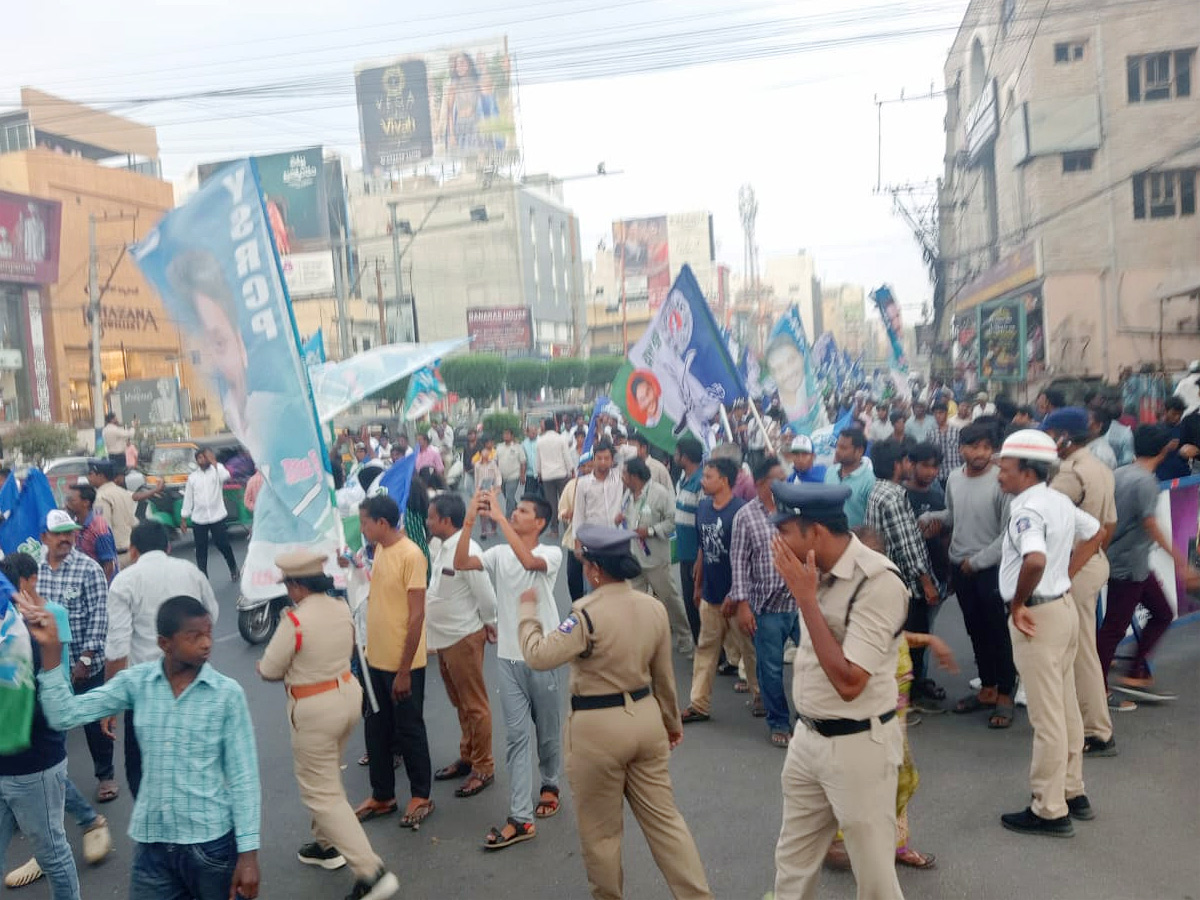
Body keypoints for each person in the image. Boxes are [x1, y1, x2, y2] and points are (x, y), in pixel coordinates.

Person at [519, 525, 713, 899]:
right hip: (645, 720)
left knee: (602, 835)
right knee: (666, 824)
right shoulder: (653, 608)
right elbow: (664, 678)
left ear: (593, 568)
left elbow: (539, 656)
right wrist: (671, 723)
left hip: (597, 729)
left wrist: (527, 612)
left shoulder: (585, 614)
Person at [24, 594, 261, 899]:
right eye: (195, 636)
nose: (206, 644)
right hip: (153, 849)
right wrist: (52, 653)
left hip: (211, 848)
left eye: (209, 634)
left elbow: (244, 778)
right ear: (165, 644)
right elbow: (64, 714)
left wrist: (249, 855)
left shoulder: (227, 695)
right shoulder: (138, 683)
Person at [768, 482, 908, 900]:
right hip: (808, 739)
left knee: (874, 877)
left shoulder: (878, 582)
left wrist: (806, 601)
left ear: (816, 533)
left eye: (786, 531)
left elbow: (850, 682)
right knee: (792, 865)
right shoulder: (816, 571)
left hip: (858, 746)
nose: (778, 542)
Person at [257, 550, 399, 900]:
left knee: (322, 793)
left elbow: (269, 669)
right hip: (347, 695)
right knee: (327, 773)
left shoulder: (296, 621)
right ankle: (326, 845)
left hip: (314, 707)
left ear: (295, 585)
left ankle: (371, 872)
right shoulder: (338, 606)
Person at [995, 429, 1102, 837]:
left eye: (1005, 468)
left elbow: (1035, 559)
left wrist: (1018, 602)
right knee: (1066, 705)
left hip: (1037, 615)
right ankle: (1073, 791)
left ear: (1025, 470)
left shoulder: (1027, 509)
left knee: (1047, 717)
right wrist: (1067, 575)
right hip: (1061, 609)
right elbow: (1096, 532)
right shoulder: (1057, 499)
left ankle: (1048, 807)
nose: (1000, 475)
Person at [454, 489, 565, 849]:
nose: (514, 514)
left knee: (547, 733)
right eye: (513, 510)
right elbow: (461, 563)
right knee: (517, 738)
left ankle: (550, 782)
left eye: (522, 511)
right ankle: (520, 818)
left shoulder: (550, 552)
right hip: (508, 658)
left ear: (540, 522)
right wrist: (470, 519)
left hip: (543, 654)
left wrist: (499, 518)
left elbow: (530, 564)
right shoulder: (499, 553)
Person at [1, 553, 109, 896]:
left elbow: (57, 699)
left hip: (34, 763)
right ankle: (86, 820)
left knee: (52, 851)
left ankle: (82, 824)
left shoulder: (29, 633)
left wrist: (56, 654)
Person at [105, 521, 217, 798]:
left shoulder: (124, 581)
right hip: (194, 682)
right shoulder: (191, 572)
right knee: (197, 762)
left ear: (132, 550)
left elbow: (118, 648)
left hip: (145, 691)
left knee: (141, 771)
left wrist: (109, 704)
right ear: (168, 547)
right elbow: (211, 617)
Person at [920, 422, 1016, 728]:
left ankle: (1004, 696)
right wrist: (931, 517)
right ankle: (987, 689)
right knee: (975, 629)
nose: (981, 453)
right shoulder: (954, 480)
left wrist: (977, 561)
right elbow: (952, 515)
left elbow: (1008, 534)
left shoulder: (1002, 482)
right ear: (961, 449)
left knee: (998, 633)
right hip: (960, 568)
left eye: (987, 447)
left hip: (989, 569)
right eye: (974, 447)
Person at [1042, 408, 1122, 749]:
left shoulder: (1070, 475)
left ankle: (1094, 730)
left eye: (1050, 434)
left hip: (1074, 566)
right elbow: (1109, 526)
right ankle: (1090, 726)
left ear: (1064, 436)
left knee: (1079, 651)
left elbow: (1047, 522)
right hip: (1091, 561)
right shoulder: (1100, 468)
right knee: (1080, 648)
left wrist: (1066, 573)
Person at [353, 495, 434, 830]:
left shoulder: (411, 555)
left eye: (365, 522)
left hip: (404, 666)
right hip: (375, 660)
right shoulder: (381, 550)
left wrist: (404, 671)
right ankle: (383, 794)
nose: (362, 528)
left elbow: (416, 617)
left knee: (409, 728)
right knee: (376, 729)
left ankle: (421, 795)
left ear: (382, 524)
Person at [1098, 425, 1188, 704]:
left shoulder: (1119, 473)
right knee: (1114, 627)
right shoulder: (1146, 482)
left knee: (1161, 612)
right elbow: (1150, 524)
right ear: (1164, 450)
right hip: (1128, 564)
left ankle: (1136, 670)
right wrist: (1180, 561)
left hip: (1127, 561)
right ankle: (1097, 688)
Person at [37, 510, 117, 804]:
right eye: (58, 533)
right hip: (50, 666)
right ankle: (51, 782)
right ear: (44, 537)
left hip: (86, 663)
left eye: (69, 532)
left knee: (94, 721)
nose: (65, 539)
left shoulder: (89, 569)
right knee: (49, 725)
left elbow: (100, 616)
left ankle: (105, 776)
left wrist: (85, 658)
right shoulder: (36, 571)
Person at [425, 493, 499, 799]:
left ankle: (484, 767)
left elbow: (486, 595)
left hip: (463, 638)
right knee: (460, 703)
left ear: (445, 520)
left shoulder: (467, 548)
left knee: (475, 705)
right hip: (443, 639)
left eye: (431, 517)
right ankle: (468, 755)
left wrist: (490, 622)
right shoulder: (437, 547)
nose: (427, 522)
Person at [679, 457, 760, 722]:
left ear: (724, 480)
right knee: (706, 648)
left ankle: (761, 698)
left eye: (708, 477)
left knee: (750, 651)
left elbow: (749, 557)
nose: (703, 482)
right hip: (711, 596)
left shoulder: (742, 511)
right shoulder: (703, 508)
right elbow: (703, 547)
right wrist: (698, 584)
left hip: (738, 597)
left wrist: (737, 594)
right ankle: (698, 704)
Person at [730, 457, 798, 747]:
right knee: (770, 668)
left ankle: (814, 717)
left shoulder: (795, 511)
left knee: (815, 660)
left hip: (800, 604)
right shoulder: (745, 517)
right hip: (766, 608)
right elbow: (739, 564)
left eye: (786, 479)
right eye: (777, 480)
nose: (784, 485)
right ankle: (779, 722)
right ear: (760, 484)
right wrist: (742, 605)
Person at [865, 441, 940, 700]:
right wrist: (927, 583)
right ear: (898, 465)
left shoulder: (878, 490)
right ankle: (910, 695)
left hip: (886, 577)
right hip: (904, 583)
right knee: (912, 642)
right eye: (907, 461)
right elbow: (907, 546)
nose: (910, 465)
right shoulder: (894, 496)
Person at [619, 458, 692, 656]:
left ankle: (686, 638)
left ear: (635, 476)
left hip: (656, 559)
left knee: (670, 599)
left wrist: (650, 531)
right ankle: (643, 642)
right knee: (636, 602)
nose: (622, 477)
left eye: (625, 473)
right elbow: (628, 517)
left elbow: (672, 521)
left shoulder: (659, 494)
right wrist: (621, 517)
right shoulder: (627, 493)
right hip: (634, 557)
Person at [904, 443, 950, 707]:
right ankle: (907, 685)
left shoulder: (938, 497)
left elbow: (947, 534)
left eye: (936, 466)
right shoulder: (902, 496)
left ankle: (919, 681)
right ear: (911, 464)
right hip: (912, 578)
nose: (932, 472)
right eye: (926, 465)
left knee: (925, 630)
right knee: (910, 631)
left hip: (938, 573)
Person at [180, 448, 239, 582]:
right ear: (197, 461)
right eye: (199, 458)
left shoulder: (217, 470)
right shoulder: (193, 478)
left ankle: (233, 568)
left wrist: (214, 462)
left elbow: (226, 476)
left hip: (217, 516)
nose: (202, 460)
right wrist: (184, 518)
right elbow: (188, 498)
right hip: (199, 519)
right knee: (201, 549)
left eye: (204, 457)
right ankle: (203, 578)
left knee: (223, 544)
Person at [673, 436, 705, 645]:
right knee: (689, 603)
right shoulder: (683, 480)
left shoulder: (701, 482)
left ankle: (710, 650)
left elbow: (703, 523)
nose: (674, 457)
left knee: (698, 604)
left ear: (685, 457)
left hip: (696, 555)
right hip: (684, 553)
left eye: (677, 453)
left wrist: (700, 559)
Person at [88, 460, 136, 572]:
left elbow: (102, 530)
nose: (88, 477)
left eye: (91, 474)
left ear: (101, 476)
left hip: (116, 556)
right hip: (131, 552)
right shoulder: (123, 492)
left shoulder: (102, 497)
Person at [823, 428, 875, 528]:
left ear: (859, 451)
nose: (837, 451)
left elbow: (871, 522)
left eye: (843, 448)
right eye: (837, 446)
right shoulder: (830, 472)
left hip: (855, 540)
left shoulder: (869, 481)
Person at [66, 483, 118, 582]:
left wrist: (101, 588)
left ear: (86, 503)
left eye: (71, 500)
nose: (67, 504)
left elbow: (109, 565)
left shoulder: (99, 529)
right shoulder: (75, 525)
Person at [537, 417, 575, 536]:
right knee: (564, 502)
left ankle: (554, 529)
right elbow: (566, 456)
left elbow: (538, 460)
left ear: (545, 427)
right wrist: (572, 470)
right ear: (555, 426)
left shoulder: (540, 441)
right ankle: (567, 527)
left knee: (551, 503)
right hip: (562, 474)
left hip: (547, 475)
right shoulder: (561, 439)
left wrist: (539, 473)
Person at [497, 428, 527, 516]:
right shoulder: (499, 447)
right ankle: (518, 508)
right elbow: (495, 461)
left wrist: (522, 475)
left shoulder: (517, 447)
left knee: (510, 497)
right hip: (501, 477)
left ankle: (508, 517)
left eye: (507, 434)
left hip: (514, 476)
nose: (505, 436)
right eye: (504, 434)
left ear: (512, 436)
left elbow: (523, 462)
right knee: (508, 497)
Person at [931, 401, 962, 484]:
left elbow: (961, 452)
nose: (938, 416)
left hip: (955, 473)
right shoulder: (930, 433)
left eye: (941, 413)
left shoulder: (956, 431)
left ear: (946, 413)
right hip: (939, 475)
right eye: (935, 413)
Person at [521, 424, 540, 496]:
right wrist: (522, 475)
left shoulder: (541, 441)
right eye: (532, 432)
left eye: (535, 431)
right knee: (529, 496)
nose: (534, 433)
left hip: (540, 474)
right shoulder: (524, 444)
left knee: (541, 496)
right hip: (530, 474)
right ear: (527, 433)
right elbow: (523, 460)